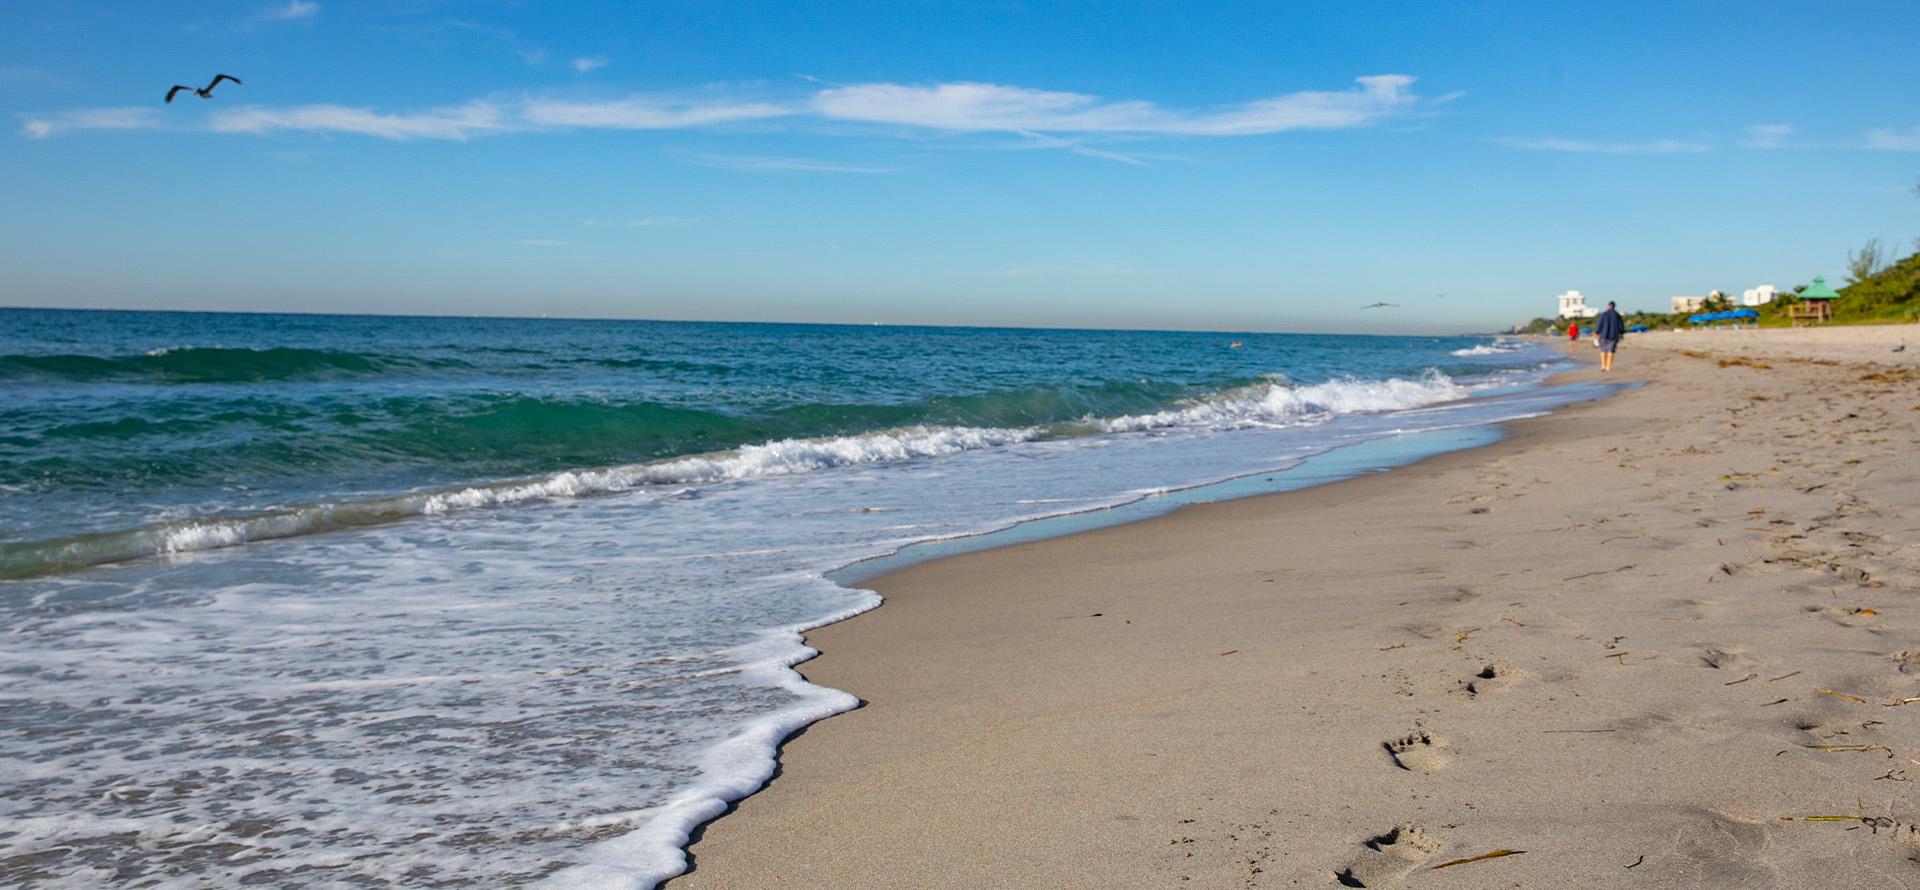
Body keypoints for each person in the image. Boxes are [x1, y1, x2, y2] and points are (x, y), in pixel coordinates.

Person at [1593, 300, 1625, 372]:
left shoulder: (1603, 314)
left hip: (1603, 336)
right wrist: (1621, 333)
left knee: (1603, 350)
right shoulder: (1617, 315)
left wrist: (1597, 333)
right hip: (1614, 336)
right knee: (1611, 351)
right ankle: (1608, 367)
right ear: (1614, 306)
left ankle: (1603, 366)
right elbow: (1621, 326)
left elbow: (1599, 325)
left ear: (1608, 306)